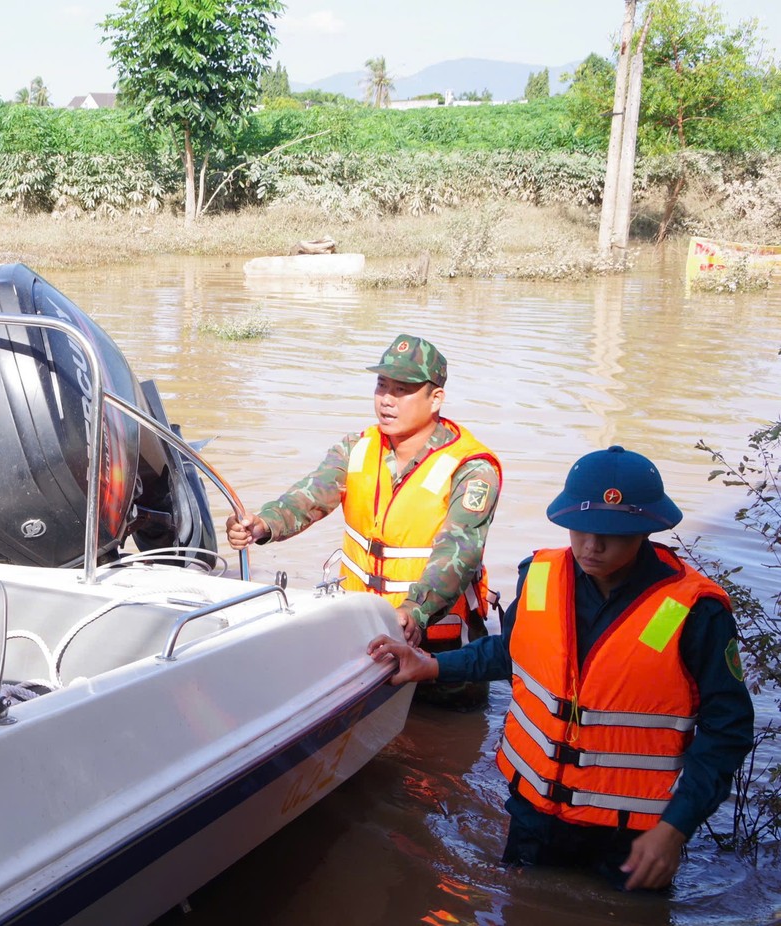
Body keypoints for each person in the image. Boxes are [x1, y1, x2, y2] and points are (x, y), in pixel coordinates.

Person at [368, 446, 755, 891]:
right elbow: (511, 652)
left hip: (632, 838)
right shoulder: (540, 576)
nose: (592, 545)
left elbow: (728, 729)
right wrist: (430, 665)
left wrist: (675, 828)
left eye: (615, 533)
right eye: (582, 529)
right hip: (534, 817)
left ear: (648, 529)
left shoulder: (694, 611)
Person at [226, 333, 502, 708]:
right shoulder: (355, 448)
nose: (387, 400)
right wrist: (263, 524)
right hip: (366, 638)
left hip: (442, 651)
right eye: (381, 385)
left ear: (435, 398)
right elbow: (308, 497)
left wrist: (414, 612)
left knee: (441, 752)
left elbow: (460, 551)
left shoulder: (472, 469)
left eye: (402, 389)